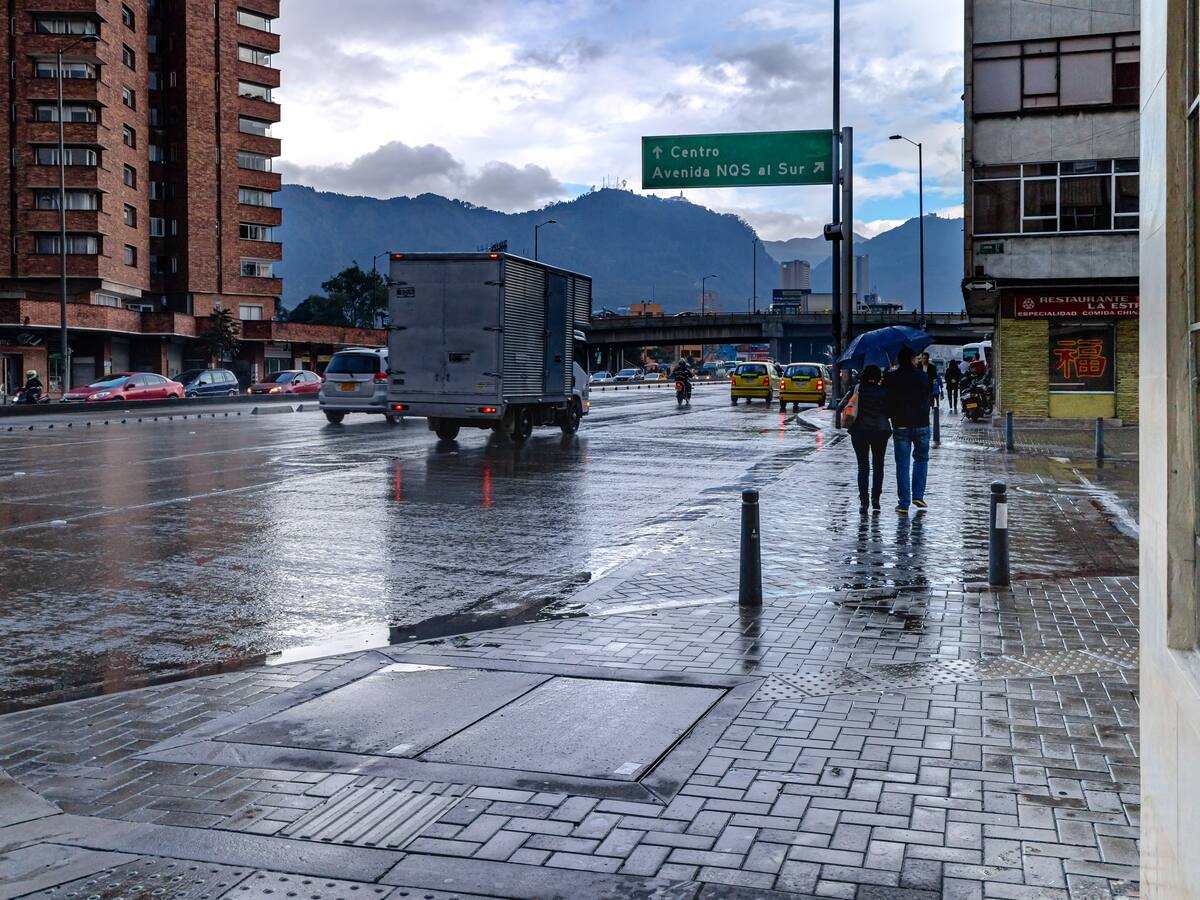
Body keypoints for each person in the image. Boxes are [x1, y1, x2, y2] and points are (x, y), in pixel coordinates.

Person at [885, 347, 932, 514]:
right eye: (916, 358)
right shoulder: (922, 376)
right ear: (912, 359)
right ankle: (918, 495)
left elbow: (887, 398)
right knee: (921, 459)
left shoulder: (891, 377)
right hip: (921, 423)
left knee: (902, 464)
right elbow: (928, 396)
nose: (918, 360)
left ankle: (903, 503)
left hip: (900, 425)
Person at [839, 364, 891, 513]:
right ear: (877, 377)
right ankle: (876, 499)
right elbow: (889, 412)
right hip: (880, 431)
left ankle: (864, 501)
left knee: (863, 467)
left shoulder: (857, 389)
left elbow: (845, 405)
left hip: (860, 431)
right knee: (878, 466)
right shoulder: (884, 391)